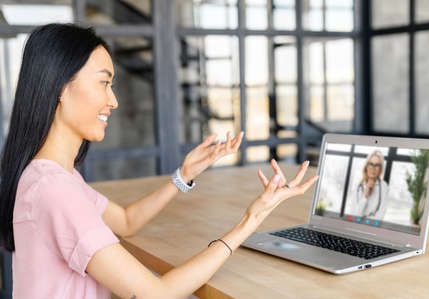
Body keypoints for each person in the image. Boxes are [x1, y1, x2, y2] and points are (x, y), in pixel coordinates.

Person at [0, 23, 318, 299]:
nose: (113, 100)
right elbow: (157, 294)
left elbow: (126, 221)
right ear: (60, 87)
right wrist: (251, 219)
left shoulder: (52, 177)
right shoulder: (54, 190)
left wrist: (183, 174)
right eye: (103, 82)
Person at [348, 150, 389, 220]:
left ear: (380, 169)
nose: (373, 168)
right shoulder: (358, 186)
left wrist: (363, 218)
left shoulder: (384, 186)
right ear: (366, 166)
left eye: (377, 165)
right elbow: (354, 215)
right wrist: (365, 196)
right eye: (371, 164)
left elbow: (381, 215)